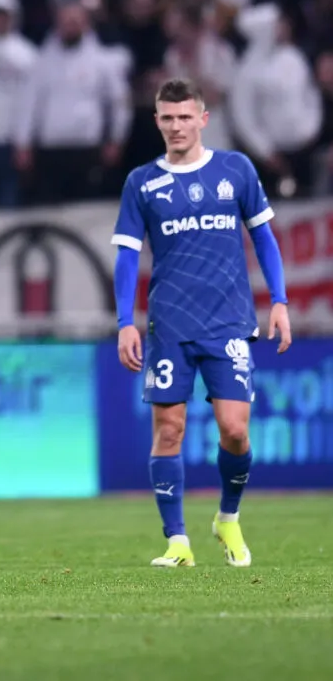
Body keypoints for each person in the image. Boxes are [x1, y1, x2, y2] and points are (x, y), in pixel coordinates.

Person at [112, 78, 292, 569]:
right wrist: (125, 320)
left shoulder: (236, 169)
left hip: (228, 322)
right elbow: (128, 258)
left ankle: (227, 518)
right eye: (167, 118)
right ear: (157, 122)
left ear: (203, 119)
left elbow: (264, 238)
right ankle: (177, 542)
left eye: (185, 117)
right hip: (168, 324)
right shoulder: (141, 183)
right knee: (168, 430)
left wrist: (279, 301)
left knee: (235, 431)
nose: (176, 126)